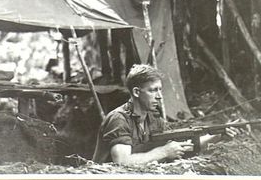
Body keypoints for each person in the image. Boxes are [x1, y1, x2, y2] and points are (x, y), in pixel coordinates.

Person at [92, 64, 242, 165]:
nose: (159, 96)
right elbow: (121, 162)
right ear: (136, 92)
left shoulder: (153, 118)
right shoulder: (119, 119)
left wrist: (218, 135)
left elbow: (182, 147)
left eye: (160, 90)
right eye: (153, 90)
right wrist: (163, 151)